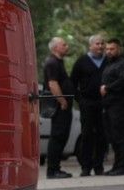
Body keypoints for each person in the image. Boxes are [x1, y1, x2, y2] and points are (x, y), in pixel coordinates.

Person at [69, 33, 107, 176]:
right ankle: (86, 167)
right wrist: (80, 100)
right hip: (87, 103)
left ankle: (99, 166)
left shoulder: (108, 61)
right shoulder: (81, 61)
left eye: (102, 43)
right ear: (90, 46)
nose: (100, 46)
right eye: (97, 43)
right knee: (87, 135)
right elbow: (72, 83)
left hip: (104, 103)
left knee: (102, 135)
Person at [99, 37, 124, 176]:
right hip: (109, 105)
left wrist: (107, 88)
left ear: (119, 49)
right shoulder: (108, 63)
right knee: (113, 137)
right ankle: (117, 165)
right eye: (107, 49)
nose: (109, 51)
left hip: (120, 104)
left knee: (120, 136)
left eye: (112, 49)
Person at [41, 37, 74, 179]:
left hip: (63, 106)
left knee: (62, 137)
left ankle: (56, 168)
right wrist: (62, 101)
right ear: (55, 48)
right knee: (57, 137)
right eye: (64, 44)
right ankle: (53, 170)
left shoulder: (59, 62)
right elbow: (53, 84)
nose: (67, 46)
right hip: (59, 107)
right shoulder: (52, 62)